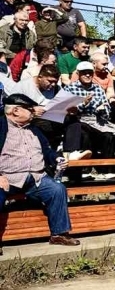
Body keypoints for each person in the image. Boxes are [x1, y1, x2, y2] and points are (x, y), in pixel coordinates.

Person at [0, 94, 81, 252]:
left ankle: (59, 234)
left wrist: (56, 159)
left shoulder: (35, 129)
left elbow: (47, 151)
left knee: (57, 189)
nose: (33, 112)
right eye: (30, 109)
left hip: (36, 177)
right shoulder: (1, 126)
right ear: (16, 111)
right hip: (8, 178)